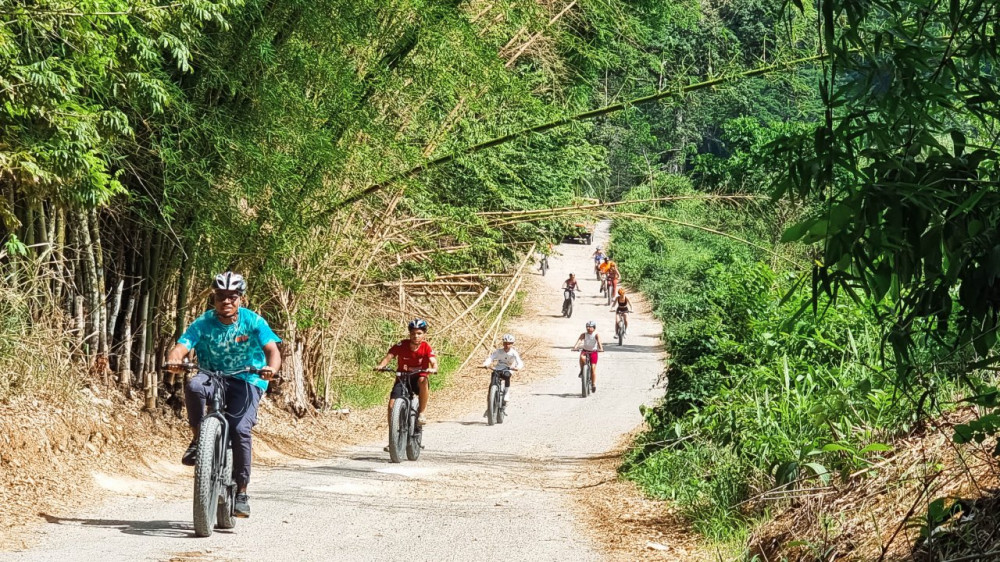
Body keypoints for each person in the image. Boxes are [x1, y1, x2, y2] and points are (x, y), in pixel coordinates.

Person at [164, 271, 282, 519]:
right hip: (212, 375)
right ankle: (199, 440)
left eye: (232, 297)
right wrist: (174, 360)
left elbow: (272, 349)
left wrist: (271, 369)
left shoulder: (253, 321)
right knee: (194, 386)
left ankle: (241, 491)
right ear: (214, 298)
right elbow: (181, 347)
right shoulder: (203, 323)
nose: (226, 301)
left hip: (246, 379)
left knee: (240, 429)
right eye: (220, 297)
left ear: (241, 298)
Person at [374, 318, 438, 440]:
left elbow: (433, 361)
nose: (416, 336)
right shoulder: (402, 345)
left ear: (424, 334)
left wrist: (433, 368)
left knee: (423, 380)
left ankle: (422, 413)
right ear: (409, 334)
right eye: (413, 333)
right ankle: (393, 437)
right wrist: (381, 365)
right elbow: (389, 356)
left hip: (419, 377)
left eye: (419, 333)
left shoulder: (426, 347)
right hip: (402, 378)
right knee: (392, 405)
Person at [481, 333, 524, 403]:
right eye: (505, 343)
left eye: (509, 343)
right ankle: (492, 392)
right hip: (499, 368)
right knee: (494, 375)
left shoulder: (514, 353)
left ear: (512, 344)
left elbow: (520, 362)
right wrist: (486, 364)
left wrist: (517, 367)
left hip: (509, 368)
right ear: (503, 343)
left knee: (507, 375)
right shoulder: (498, 351)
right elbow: (491, 358)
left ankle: (507, 392)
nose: (507, 345)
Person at [571, 320, 605, 393]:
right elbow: (579, 340)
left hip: (593, 352)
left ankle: (593, 384)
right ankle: (582, 371)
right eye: (587, 327)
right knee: (582, 358)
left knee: (593, 368)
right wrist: (575, 347)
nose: (589, 329)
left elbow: (599, 342)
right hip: (585, 351)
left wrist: (601, 348)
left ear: (594, 328)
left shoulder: (596, 335)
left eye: (590, 327)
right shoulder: (584, 334)